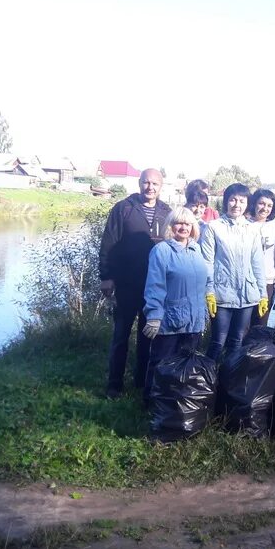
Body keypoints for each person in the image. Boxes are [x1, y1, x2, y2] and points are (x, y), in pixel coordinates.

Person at [99, 168, 172, 399]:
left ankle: (142, 383)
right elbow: (109, 243)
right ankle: (114, 385)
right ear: (139, 184)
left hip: (153, 287)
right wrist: (106, 276)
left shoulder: (166, 212)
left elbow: (173, 247)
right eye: (146, 183)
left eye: (154, 184)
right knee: (121, 336)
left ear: (161, 187)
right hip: (126, 284)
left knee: (147, 337)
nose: (150, 188)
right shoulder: (124, 208)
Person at [141, 207, 208, 402]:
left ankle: (177, 404)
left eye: (188, 224)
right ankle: (152, 404)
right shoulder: (161, 251)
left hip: (194, 321)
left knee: (185, 365)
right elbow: (155, 286)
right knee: (161, 364)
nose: (183, 227)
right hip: (170, 320)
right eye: (179, 223)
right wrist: (153, 315)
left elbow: (203, 281)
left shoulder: (197, 249)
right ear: (171, 225)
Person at [200, 182, 267, 360]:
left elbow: (257, 263)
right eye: (233, 200)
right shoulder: (213, 227)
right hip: (222, 294)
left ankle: (229, 383)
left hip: (246, 295)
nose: (237, 205)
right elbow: (207, 262)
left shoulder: (252, 229)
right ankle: (207, 381)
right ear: (226, 201)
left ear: (247, 204)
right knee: (218, 341)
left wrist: (262, 294)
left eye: (242, 201)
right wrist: (209, 291)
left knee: (237, 341)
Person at [248, 188, 275, 326]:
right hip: (247, 282)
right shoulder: (244, 225)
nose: (265, 208)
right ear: (254, 204)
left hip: (267, 283)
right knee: (243, 328)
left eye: (269, 206)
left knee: (261, 326)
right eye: (261, 203)